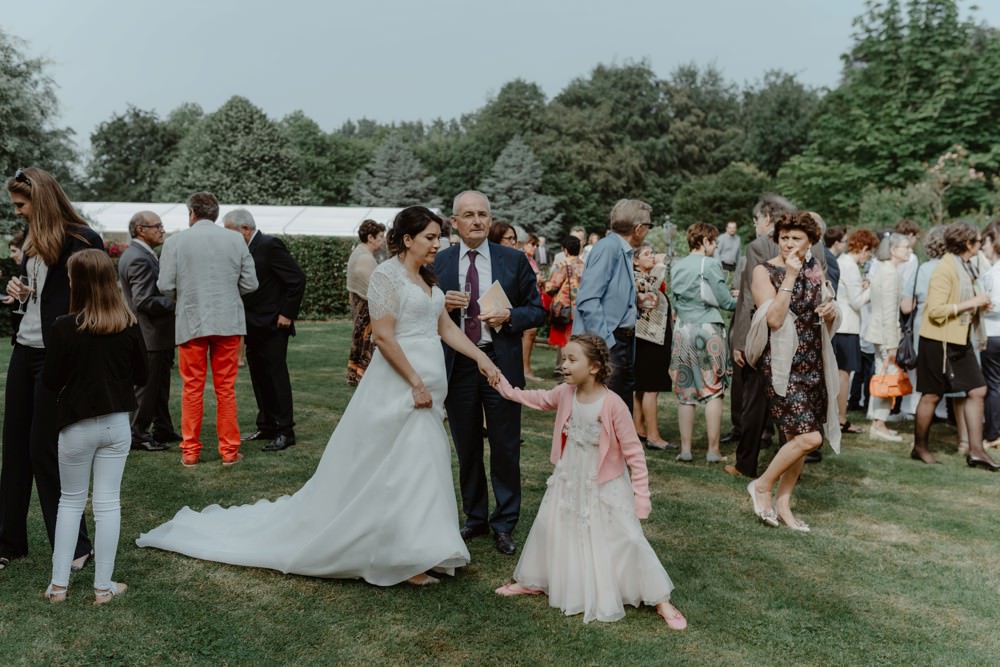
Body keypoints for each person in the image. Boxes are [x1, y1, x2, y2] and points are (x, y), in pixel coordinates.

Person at [138, 206, 499, 585]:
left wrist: (480, 359)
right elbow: (384, 337)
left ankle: (424, 548)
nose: (436, 244)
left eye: (438, 236)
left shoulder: (428, 278)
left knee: (425, 465)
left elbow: (443, 327)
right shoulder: (386, 277)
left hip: (428, 386)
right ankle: (399, 555)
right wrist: (415, 382)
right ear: (407, 239)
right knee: (397, 469)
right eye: (429, 237)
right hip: (399, 385)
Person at [491, 334, 686, 629]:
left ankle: (659, 598)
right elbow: (538, 398)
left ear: (594, 367)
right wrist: (506, 389)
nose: (564, 365)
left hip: (604, 481)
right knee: (550, 527)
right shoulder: (565, 393)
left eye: (571, 360)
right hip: (569, 477)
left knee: (628, 537)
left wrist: (641, 496)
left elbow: (635, 453)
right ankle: (535, 580)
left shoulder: (613, 404)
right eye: (563, 359)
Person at [435, 191, 545, 556]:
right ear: (455, 221)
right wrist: (443, 306)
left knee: (505, 445)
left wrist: (511, 317)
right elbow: (421, 313)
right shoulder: (441, 261)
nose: (477, 220)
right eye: (468, 215)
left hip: (500, 361)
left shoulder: (513, 260)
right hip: (458, 364)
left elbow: (537, 310)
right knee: (466, 445)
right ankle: (475, 517)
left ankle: (505, 522)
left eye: (483, 214)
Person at [0, 167, 97, 572]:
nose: (18, 212)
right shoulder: (30, 240)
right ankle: (8, 542)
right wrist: (18, 289)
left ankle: (75, 545)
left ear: (40, 200)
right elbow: (35, 294)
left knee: (45, 450)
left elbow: (88, 303)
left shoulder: (82, 239)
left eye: (21, 205)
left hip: (57, 357)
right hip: (25, 349)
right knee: (14, 447)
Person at [41, 250, 148, 604]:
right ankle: (103, 587)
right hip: (117, 424)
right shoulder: (128, 323)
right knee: (107, 503)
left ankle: (59, 586)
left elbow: (51, 381)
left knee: (70, 501)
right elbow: (143, 375)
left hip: (76, 425)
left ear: (78, 282)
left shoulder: (62, 326)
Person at [745, 212, 840, 531]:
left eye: (796, 238)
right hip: (783, 363)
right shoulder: (764, 271)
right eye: (784, 237)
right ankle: (761, 486)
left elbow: (828, 308)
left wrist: (830, 309)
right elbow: (773, 319)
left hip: (813, 360)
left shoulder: (816, 268)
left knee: (795, 437)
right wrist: (788, 276)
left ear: (811, 242)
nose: (789, 243)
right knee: (810, 437)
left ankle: (783, 504)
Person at [157, 192, 258, 467]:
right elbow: (251, 284)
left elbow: (165, 285)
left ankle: (190, 451)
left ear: (191, 213)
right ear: (215, 213)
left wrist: (188, 297)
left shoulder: (175, 242)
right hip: (228, 322)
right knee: (225, 388)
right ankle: (229, 452)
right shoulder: (236, 239)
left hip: (191, 320)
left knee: (192, 387)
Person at [725, 194, 800, 479]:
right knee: (790, 400)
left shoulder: (759, 246)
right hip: (797, 335)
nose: (756, 225)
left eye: (756, 219)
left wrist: (741, 340)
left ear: (767, 218)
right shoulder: (810, 243)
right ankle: (791, 465)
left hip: (766, 330)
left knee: (755, 401)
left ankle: (746, 464)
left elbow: (748, 296)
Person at [911, 221, 996, 469]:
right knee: (931, 395)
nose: (980, 244)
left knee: (978, 390)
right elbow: (935, 311)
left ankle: (977, 450)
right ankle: (920, 446)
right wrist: (973, 303)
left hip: (960, 340)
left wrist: (979, 303)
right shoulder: (945, 268)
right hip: (938, 341)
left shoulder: (965, 265)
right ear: (967, 243)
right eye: (977, 241)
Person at [223, 209, 307, 453]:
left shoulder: (270, 245)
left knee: (275, 377)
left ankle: (285, 430)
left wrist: (287, 313)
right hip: (251, 325)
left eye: (230, 233)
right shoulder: (243, 249)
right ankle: (267, 425)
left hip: (273, 324)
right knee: (259, 377)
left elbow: (297, 279)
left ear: (245, 229)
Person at [575, 199, 654, 409]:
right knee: (605, 412)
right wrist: (606, 343)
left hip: (622, 342)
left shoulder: (621, 249)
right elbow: (588, 299)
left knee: (618, 410)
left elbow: (609, 294)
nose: (648, 231)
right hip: (609, 342)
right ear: (638, 229)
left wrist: (636, 302)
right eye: (648, 226)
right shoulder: (608, 248)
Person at [669, 223, 736, 462]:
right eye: (714, 242)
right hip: (708, 330)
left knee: (686, 392)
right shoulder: (709, 264)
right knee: (712, 390)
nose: (716, 246)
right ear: (705, 241)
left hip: (684, 329)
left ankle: (685, 450)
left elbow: (675, 301)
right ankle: (713, 450)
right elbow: (725, 301)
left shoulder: (676, 266)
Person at [118, 211, 177, 451]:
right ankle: (137, 434)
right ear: (141, 229)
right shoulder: (138, 258)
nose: (162, 230)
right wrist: (176, 302)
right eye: (158, 226)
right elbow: (143, 300)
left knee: (160, 385)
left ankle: (162, 428)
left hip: (156, 334)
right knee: (147, 386)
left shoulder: (139, 253)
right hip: (149, 334)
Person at [865, 233, 912, 441]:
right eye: (905, 248)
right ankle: (879, 424)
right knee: (887, 377)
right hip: (885, 333)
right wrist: (893, 344)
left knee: (881, 374)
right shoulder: (890, 273)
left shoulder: (883, 270)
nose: (909, 251)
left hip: (878, 330)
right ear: (893, 250)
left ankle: (878, 422)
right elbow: (890, 312)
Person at [833, 229, 878, 435]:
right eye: (869, 252)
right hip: (847, 327)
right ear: (863, 248)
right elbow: (856, 302)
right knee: (844, 375)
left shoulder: (843, 262)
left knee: (842, 374)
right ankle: (841, 418)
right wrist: (873, 288)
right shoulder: (849, 266)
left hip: (841, 326)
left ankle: (838, 417)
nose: (868, 257)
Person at [632, 243, 674, 451]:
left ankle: (638, 428)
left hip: (653, 335)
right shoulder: (638, 277)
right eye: (646, 254)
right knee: (651, 387)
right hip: (648, 338)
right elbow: (652, 292)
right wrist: (660, 264)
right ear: (635, 260)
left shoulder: (644, 276)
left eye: (652, 252)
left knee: (642, 386)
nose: (652, 256)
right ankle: (653, 436)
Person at [346, 219, 386, 385]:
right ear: (371, 237)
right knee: (365, 341)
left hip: (359, 305)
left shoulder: (359, 252)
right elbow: (373, 287)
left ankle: (356, 374)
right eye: (381, 236)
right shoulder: (365, 258)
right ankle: (363, 375)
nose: (383, 240)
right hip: (365, 308)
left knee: (360, 340)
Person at [544, 236, 584, 352]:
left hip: (565, 308)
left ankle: (565, 366)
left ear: (566, 250)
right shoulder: (585, 265)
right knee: (577, 340)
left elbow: (553, 286)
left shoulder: (564, 266)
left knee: (565, 341)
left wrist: (544, 283)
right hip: (580, 307)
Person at [980, 221, 1000, 447]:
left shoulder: (994, 273)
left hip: (994, 334)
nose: (982, 246)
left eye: (985, 241)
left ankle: (994, 434)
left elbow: (993, 303)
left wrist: (984, 304)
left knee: (993, 385)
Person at [520, 232, 544, 381]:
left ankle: (526, 367)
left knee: (531, 334)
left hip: (534, 299)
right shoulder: (521, 259)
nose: (534, 247)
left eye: (536, 245)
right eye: (532, 244)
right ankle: (525, 369)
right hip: (525, 301)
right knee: (529, 333)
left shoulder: (532, 260)